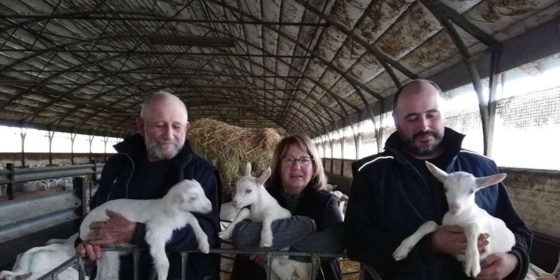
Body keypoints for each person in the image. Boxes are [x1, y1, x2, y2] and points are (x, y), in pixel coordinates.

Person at [344, 79, 533, 280]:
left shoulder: (482, 167)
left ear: (443, 114)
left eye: (432, 115)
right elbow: (356, 242)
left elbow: (519, 230)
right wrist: (430, 244)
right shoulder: (371, 173)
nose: (423, 126)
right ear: (396, 119)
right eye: (412, 117)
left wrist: (514, 260)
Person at [76, 91, 222, 280]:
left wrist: (137, 233)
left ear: (186, 128)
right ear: (140, 125)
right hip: (121, 273)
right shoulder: (118, 166)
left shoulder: (200, 172)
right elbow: (97, 213)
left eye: (176, 126)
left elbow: (208, 233)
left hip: (177, 274)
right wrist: (86, 243)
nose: (169, 135)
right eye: (159, 125)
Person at [229, 134, 345, 280]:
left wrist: (275, 251)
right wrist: (302, 227)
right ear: (278, 167)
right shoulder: (259, 196)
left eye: (304, 159)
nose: (296, 166)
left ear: (314, 167)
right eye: (289, 159)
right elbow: (241, 236)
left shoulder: (326, 202)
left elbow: (335, 241)